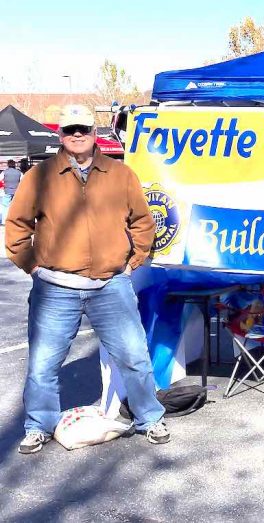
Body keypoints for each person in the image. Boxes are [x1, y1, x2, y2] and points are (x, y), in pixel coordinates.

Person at [5, 104, 170, 454]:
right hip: (54, 289)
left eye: (83, 128)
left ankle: (150, 418)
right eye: (70, 130)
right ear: (60, 135)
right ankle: (39, 425)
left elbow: (143, 221)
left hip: (111, 286)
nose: (77, 135)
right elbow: (17, 226)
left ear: (94, 133)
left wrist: (133, 261)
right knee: (43, 364)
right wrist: (31, 265)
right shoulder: (41, 176)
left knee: (134, 356)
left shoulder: (120, 174)